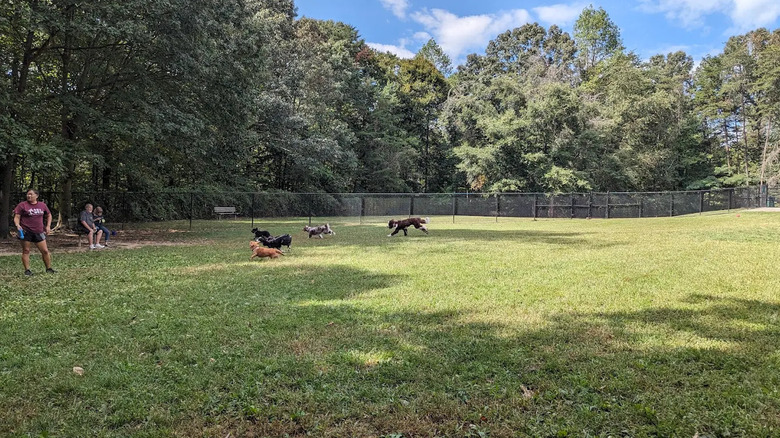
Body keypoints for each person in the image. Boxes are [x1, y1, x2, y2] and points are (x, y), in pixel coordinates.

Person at [13, 188, 57, 276]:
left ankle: (48, 268)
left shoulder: (42, 205)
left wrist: (48, 226)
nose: (29, 196)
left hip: (39, 231)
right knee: (26, 250)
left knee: (45, 251)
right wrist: (17, 225)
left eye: (31, 194)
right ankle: (27, 270)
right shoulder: (22, 205)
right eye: (28, 194)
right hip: (26, 231)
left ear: (36, 196)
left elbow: (49, 215)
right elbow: (17, 217)